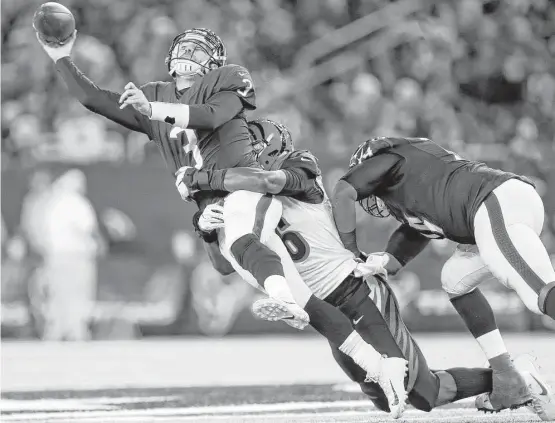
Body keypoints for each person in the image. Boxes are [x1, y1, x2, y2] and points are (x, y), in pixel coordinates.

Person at [36, 26, 396, 383]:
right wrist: (61, 57)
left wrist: (155, 109)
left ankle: (285, 295)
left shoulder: (229, 79)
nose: (189, 56)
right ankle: (372, 363)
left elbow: (208, 116)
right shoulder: (154, 94)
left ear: (215, 62)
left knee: (253, 247)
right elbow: (94, 99)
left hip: (240, 187)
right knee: (300, 300)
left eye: (199, 51)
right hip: (211, 206)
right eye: (185, 49)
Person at [177, 119, 555, 420]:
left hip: (363, 286)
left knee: (533, 294)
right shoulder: (241, 201)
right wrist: (209, 229)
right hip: (321, 307)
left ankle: (516, 373)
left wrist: (200, 180)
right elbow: (225, 267)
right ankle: (511, 376)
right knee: (419, 390)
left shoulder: (300, 169)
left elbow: (279, 182)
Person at [331, 136, 555, 415]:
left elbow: (343, 191)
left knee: (539, 294)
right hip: (493, 210)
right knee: (455, 279)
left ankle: (510, 377)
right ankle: (506, 375)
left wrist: (349, 251)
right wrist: (386, 260)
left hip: (494, 202)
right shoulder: (416, 184)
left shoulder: (391, 157)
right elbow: (415, 233)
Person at [41, 169, 103, 340]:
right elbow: (89, 229)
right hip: (77, 257)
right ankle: (77, 333)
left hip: (56, 257)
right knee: (79, 295)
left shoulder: (53, 204)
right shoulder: (77, 203)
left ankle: (55, 333)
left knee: (58, 296)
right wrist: (99, 244)